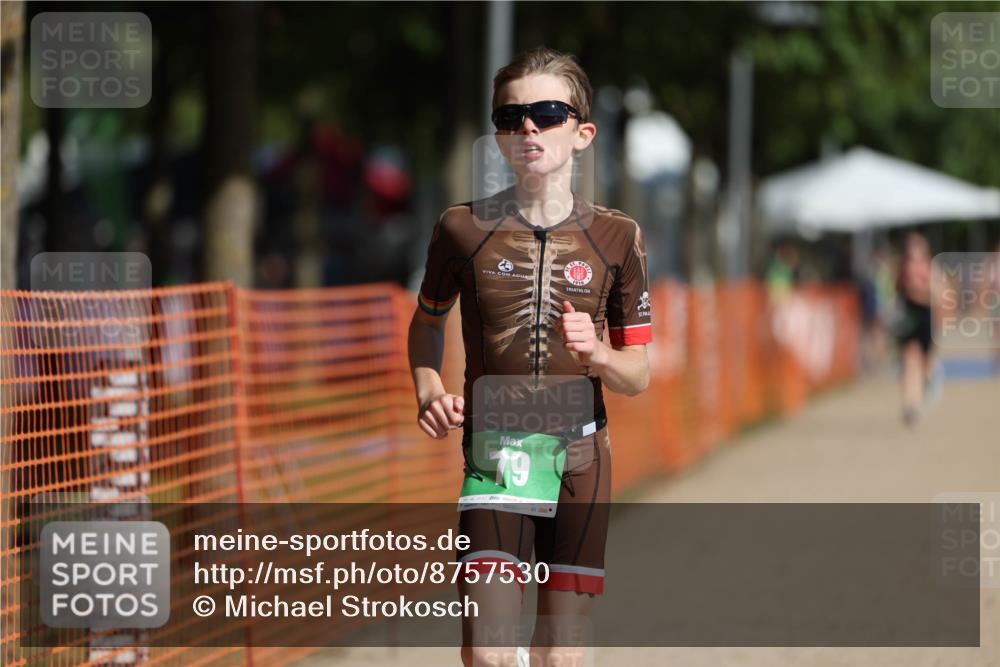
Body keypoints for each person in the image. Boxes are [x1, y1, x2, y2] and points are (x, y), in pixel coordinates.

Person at [407, 47, 652, 666]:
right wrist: (429, 388)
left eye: (546, 113)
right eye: (510, 117)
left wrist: (596, 352)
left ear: (582, 133)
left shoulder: (618, 236)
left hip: (580, 456)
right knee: (486, 654)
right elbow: (426, 324)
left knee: (560, 653)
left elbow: (638, 374)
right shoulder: (461, 229)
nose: (528, 129)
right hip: (497, 455)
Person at [894, 231, 937, 426]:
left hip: (925, 316)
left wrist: (923, 293)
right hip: (909, 318)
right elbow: (897, 293)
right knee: (910, 361)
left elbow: (940, 292)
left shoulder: (931, 268)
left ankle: (927, 385)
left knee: (925, 364)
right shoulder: (901, 270)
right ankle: (910, 405)